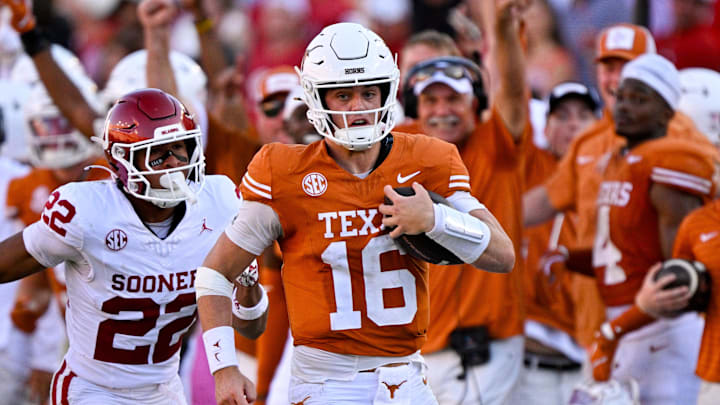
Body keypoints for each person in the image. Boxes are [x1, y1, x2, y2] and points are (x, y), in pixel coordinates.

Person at [195, 22, 514, 405]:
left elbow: (502, 254)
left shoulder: (428, 159)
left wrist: (436, 220)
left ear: (388, 90)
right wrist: (225, 367)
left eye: (368, 93)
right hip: (325, 382)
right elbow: (215, 273)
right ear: (317, 97)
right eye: (343, 95)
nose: (359, 107)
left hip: (407, 377)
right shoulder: (283, 171)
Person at [0, 88, 266, 404]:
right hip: (92, 389)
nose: (174, 163)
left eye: (180, 148)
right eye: (158, 152)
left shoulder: (219, 203)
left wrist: (248, 284)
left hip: (164, 389)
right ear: (123, 160)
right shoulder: (86, 213)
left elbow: (252, 329)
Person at [396, 1, 528, 403]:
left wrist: (502, 24)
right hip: (417, 347)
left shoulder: (495, 145)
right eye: (431, 101)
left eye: (453, 99)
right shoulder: (401, 146)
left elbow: (513, 89)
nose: (442, 111)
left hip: (487, 346)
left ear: (475, 103)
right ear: (416, 105)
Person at [585, 54, 717, 404]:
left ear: (668, 113)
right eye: (621, 97)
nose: (623, 107)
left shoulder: (669, 161)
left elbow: (678, 282)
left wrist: (614, 330)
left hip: (663, 330)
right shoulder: (621, 159)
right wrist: (569, 257)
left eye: (639, 100)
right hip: (632, 324)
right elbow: (624, 251)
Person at [510, 82, 600, 405]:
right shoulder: (529, 165)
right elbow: (509, 100)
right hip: (530, 369)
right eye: (561, 116)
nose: (573, 124)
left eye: (584, 115)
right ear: (545, 128)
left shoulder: (615, 176)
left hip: (593, 367)